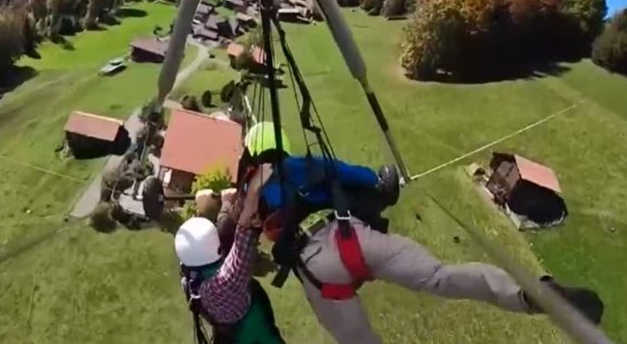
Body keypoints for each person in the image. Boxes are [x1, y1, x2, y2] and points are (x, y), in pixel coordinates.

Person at [242, 122, 604, 344]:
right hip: (351, 237)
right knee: (439, 277)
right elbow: (368, 178)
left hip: (316, 272)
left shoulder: (253, 197)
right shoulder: (307, 165)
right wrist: (382, 181)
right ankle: (530, 294)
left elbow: (246, 245)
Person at [174, 165, 285, 344]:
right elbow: (245, 227)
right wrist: (253, 186)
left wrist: (209, 208)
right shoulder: (228, 281)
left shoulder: (189, 281)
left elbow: (217, 241)